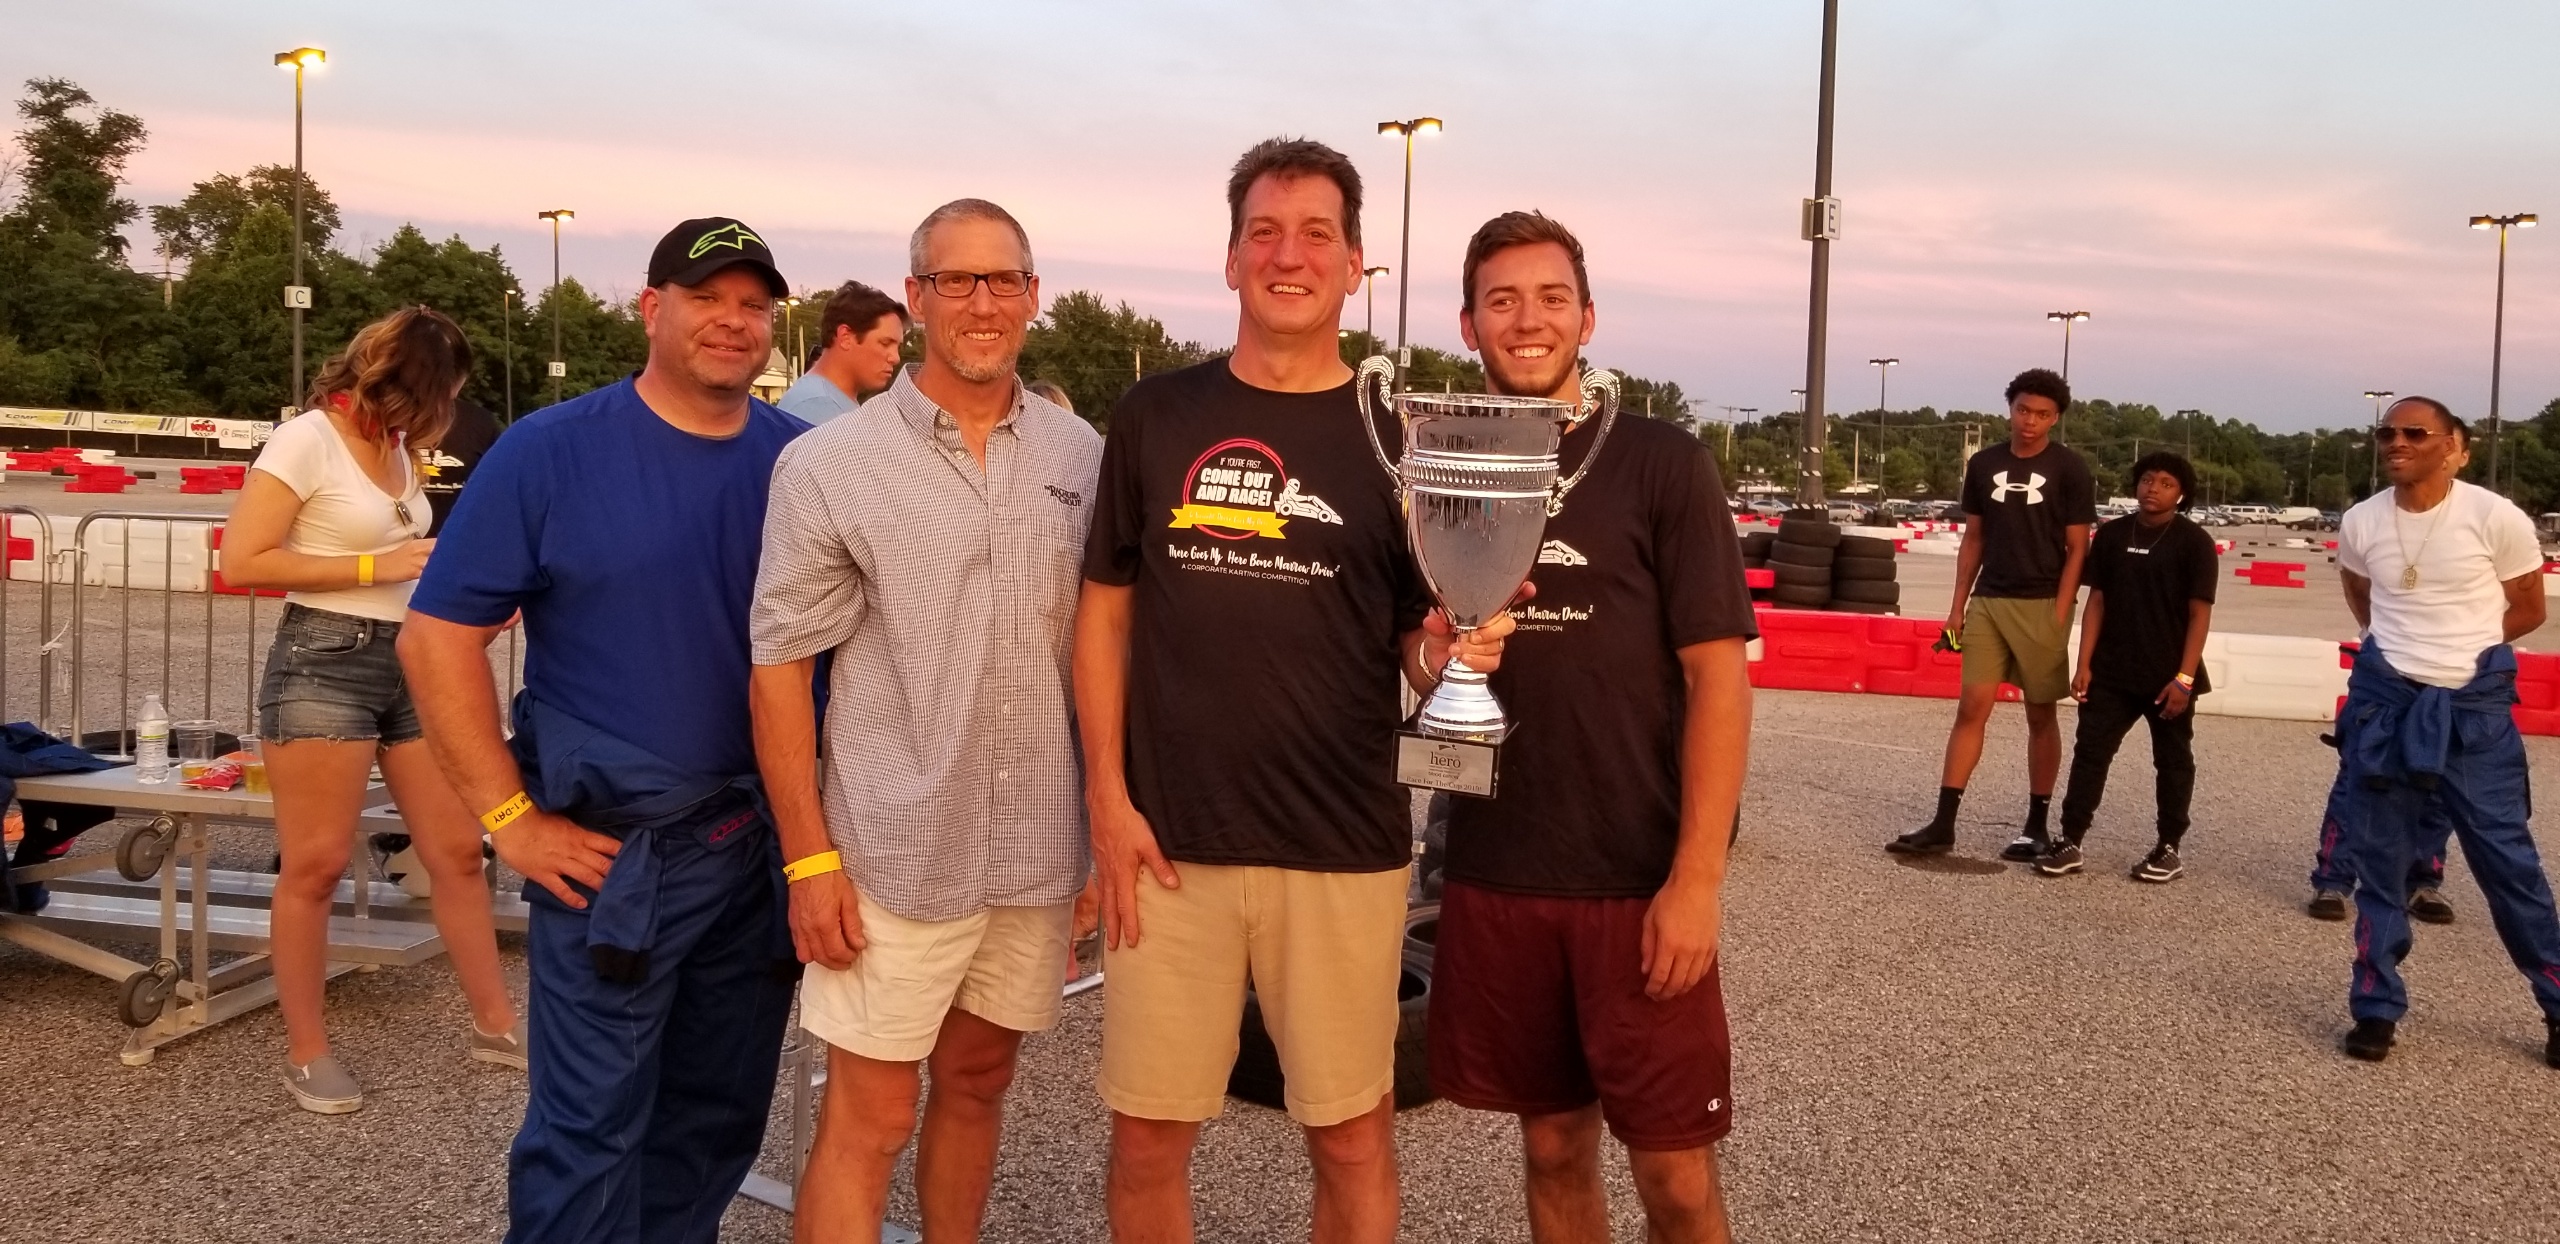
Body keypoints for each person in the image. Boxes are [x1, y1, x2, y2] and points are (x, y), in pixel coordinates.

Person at [1074, 137, 1511, 1243]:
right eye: (1264, 230)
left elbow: (1414, 646)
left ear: (1354, 262)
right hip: (1169, 845)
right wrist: (1106, 802)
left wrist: (1452, 655)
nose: (1288, 253)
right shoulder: (1155, 416)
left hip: (1344, 849)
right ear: (1228, 260)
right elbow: (1104, 612)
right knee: (1147, 1138)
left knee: (1353, 1132)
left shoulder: (1398, 441)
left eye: (1316, 232)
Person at [399, 217, 809, 1241]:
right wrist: (508, 818)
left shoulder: (802, 465)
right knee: (586, 1134)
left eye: (753, 304)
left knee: (712, 1126)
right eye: (708, 296)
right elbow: (437, 640)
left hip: (754, 856)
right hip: (616, 859)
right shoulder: (551, 451)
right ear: (651, 308)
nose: (732, 320)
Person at [748, 199, 1101, 1243]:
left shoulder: (1083, 456)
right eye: (956, 281)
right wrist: (808, 861)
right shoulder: (830, 464)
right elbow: (778, 672)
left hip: (1034, 850)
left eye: (1003, 280)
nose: (981, 302)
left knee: (981, 1081)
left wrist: (1096, 841)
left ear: (1033, 297)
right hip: (893, 850)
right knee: (870, 1111)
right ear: (916, 297)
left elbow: (1099, 655)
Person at [1429, 211, 1754, 1244]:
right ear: (1469, 323)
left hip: (1635, 875)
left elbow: (1719, 681)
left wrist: (1695, 879)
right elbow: (1417, 639)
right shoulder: (1446, 461)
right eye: (1502, 300)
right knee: (1552, 1147)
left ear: (1587, 316)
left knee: (1674, 1175)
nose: (1527, 320)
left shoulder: (1661, 462)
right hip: (1499, 864)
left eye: (1549, 297)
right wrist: (1434, 656)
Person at [223, 306, 522, 1114]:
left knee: (458, 851)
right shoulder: (306, 439)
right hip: (325, 659)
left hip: (414, 659)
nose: (449, 416)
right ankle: (307, 1050)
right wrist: (374, 561)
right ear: (410, 385)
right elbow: (241, 558)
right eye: (446, 396)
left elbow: (413, 559)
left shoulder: (396, 448)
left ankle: (498, 1026)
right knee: (314, 865)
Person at [2329, 396, 2560, 1068]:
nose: (2396, 441)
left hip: (2473, 708)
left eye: (2414, 432)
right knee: (2380, 863)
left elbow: (2527, 607)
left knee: (2508, 863)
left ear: (2455, 446)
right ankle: (2375, 1006)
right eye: (2387, 432)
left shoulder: (2495, 517)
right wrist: (2400, 653)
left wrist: (2459, 658)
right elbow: (2361, 593)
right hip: (2386, 702)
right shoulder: (2362, 520)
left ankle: (2555, 1003)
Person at [1889, 369, 2094, 859]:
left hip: (2043, 603)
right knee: (1971, 707)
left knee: (2040, 714)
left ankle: (2036, 826)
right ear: (2010, 407)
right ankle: (1943, 822)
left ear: (2056, 418)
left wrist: (2061, 610)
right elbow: (1974, 539)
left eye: (2042, 414)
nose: (2030, 421)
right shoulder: (1983, 464)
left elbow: (2078, 548)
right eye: (2023, 409)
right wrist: (1957, 608)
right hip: (1988, 602)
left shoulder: (2070, 469)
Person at [2039, 451, 2217, 882]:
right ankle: (2071, 840)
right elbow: (2097, 602)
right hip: (2111, 672)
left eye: (2166, 483)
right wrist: (2083, 664)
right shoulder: (2114, 535)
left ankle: (2168, 848)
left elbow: (2200, 615)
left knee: (2173, 761)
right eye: (2147, 480)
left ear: (2182, 494)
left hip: (2168, 676)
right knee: (2090, 754)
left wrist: (2184, 678)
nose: (2153, 489)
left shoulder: (2195, 543)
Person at [779, 279, 909, 424]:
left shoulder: (832, 401)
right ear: (845, 337)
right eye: (885, 343)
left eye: (898, 347)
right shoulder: (817, 406)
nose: (895, 358)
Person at [419, 395, 502, 534]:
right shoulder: (388, 419)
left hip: (460, 543)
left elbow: (497, 495)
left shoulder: (480, 422)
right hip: (392, 550)